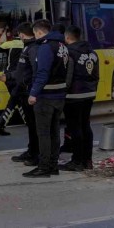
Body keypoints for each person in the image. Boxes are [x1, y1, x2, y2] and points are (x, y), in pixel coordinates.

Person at [23, 19, 68, 178]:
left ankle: (44, 167)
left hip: (45, 96)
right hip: (59, 95)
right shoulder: (62, 46)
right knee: (54, 132)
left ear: (39, 32)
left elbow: (42, 73)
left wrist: (33, 93)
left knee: (43, 133)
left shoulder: (45, 47)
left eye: (35, 34)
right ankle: (53, 165)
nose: (35, 37)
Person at [59, 25, 99, 172]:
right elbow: (96, 74)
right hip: (89, 93)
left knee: (75, 128)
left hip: (73, 95)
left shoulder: (69, 52)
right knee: (86, 126)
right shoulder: (92, 52)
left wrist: (64, 90)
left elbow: (67, 75)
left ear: (67, 37)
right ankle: (87, 160)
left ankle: (77, 161)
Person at [0, 24, 31, 136]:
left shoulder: (8, 44)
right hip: (20, 76)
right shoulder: (27, 44)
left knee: (17, 99)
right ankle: (1, 124)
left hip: (8, 76)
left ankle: (4, 124)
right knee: (15, 100)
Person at [10, 24, 40, 165]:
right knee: (30, 124)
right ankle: (32, 150)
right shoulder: (28, 47)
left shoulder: (32, 48)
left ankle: (36, 154)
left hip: (29, 91)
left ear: (22, 34)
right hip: (24, 90)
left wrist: (32, 90)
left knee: (34, 125)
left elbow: (35, 71)